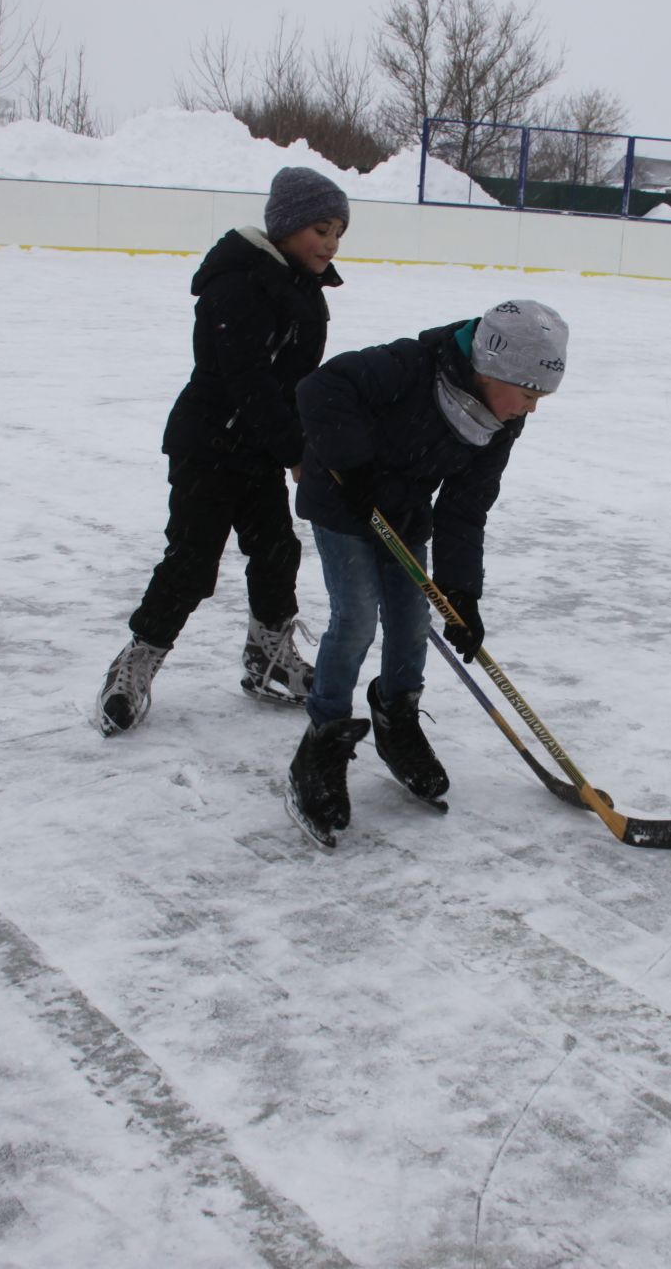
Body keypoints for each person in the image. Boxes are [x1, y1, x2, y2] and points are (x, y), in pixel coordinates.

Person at [283, 299, 570, 843]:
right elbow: (320, 389)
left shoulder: (499, 425)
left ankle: (396, 720)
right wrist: (354, 464)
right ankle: (321, 743)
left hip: (405, 512)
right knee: (358, 618)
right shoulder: (411, 366)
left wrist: (462, 593)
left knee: (415, 621)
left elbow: (465, 506)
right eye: (530, 394)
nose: (532, 409)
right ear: (495, 370)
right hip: (345, 500)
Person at [97, 166, 350, 734]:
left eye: (338, 232)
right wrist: (295, 451)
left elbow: (298, 383)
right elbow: (248, 380)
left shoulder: (304, 289)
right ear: (285, 226)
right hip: (209, 443)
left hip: (258, 447)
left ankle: (268, 659)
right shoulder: (236, 282)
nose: (331, 244)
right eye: (320, 229)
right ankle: (134, 663)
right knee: (191, 562)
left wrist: (316, 438)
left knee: (276, 552)